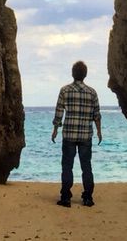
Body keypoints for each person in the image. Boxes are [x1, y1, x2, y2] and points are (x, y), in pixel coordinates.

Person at [51, 60, 102, 207]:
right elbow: (96, 115)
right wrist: (99, 131)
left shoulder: (65, 90)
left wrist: (55, 130)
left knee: (67, 165)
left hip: (69, 134)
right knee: (86, 166)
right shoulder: (92, 92)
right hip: (86, 135)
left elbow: (59, 112)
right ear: (85, 75)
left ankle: (66, 197)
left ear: (73, 74)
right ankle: (87, 198)